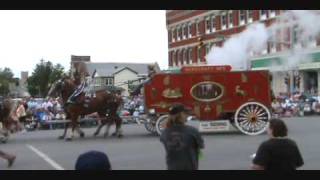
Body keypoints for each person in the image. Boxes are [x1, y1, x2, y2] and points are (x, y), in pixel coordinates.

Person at [160, 103, 204, 170]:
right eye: (185, 113)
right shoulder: (192, 131)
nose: (187, 115)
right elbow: (201, 145)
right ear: (180, 115)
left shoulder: (165, 133)